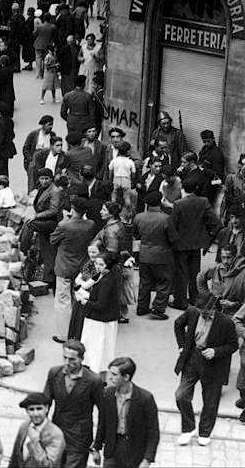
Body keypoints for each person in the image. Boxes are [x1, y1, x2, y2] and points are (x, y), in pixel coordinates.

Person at [173, 293, 237, 446]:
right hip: (192, 358)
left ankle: (205, 432)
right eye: (200, 310)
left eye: (205, 312)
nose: (202, 314)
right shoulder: (193, 312)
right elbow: (178, 324)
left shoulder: (226, 322)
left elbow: (233, 344)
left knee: (210, 401)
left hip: (213, 364)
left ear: (213, 309)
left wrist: (216, 352)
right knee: (181, 395)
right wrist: (182, 346)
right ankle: (188, 428)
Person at [42, 339, 103, 468]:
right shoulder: (54, 373)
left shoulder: (93, 380)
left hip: (79, 439)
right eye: (65, 358)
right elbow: (44, 403)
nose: (67, 362)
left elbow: (104, 413)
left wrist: (97, 445)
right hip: (56, 434)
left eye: (72, 359)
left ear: (82, 359)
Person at [91, 357, 159, 468]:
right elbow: (102, 423)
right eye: (109, 373)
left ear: (126, 377)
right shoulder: (107, 394)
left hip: (134, 452)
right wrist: (96, 448)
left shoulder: (145, 398)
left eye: (114, 375)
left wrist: (147, 459)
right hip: (112, 449)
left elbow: (153, 432)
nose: (109, 378)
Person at [170, 176, 221, 309]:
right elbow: (215, 223)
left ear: (183, 188)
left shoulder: (178, 204)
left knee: (181, 273)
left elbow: (172, 226)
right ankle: (195, 298)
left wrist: (174, 242)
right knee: (195, 272)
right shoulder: (203, 202)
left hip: (181, 244)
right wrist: (208, 240)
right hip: (196, 244)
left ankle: (180, 301)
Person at [50, 196, 96, 345]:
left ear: (72, 208)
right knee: (79, 298)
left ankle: (64, 335)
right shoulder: (90, 224)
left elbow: (53, 240)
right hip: (83, 267)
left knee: (63, 301)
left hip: (64, 266)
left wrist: (64, 220)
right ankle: (78, 331)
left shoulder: (64, 225)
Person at [133, 192, 174, 320]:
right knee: (163, 282)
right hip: (162, 255)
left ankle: (142, 307)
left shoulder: (139, 217)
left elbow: (136, 234)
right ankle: (158, 308)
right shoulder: (166, 218)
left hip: (144, 254)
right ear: (160, 202)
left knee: (145, 282)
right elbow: (172, 237)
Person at [78, 252, 120, 373]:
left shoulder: (107, 280)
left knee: (97, 347)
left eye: (101, 264)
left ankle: (95, 370)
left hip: (101, 319)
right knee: (100, 347)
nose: (97, 266)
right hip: (105, 317)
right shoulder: (105, 275)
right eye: (96, 263)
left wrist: (85, 301)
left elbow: (100, 304)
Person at [9, 392, 66, 468]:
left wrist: (35, 441)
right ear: (27, 411)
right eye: (31, 409)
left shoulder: (55, 434)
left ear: (46, 408)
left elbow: (49, 465)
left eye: (39, 409)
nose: (35, 414)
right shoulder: (25, 427)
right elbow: (15, 458)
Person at [23, 115, 55, 192]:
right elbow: (26, 148)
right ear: (43, 125)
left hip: (47, 155)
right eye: (49, 125)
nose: (51, 127)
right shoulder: (34, 134)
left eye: (52, 124)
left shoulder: (52, 135)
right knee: (33, 172)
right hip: (36, 155)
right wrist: (30, 159)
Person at [0, 101, 17, 185]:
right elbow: (12, 135)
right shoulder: (10, 121)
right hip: (6, 150)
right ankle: (4, 184)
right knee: (4, 170)